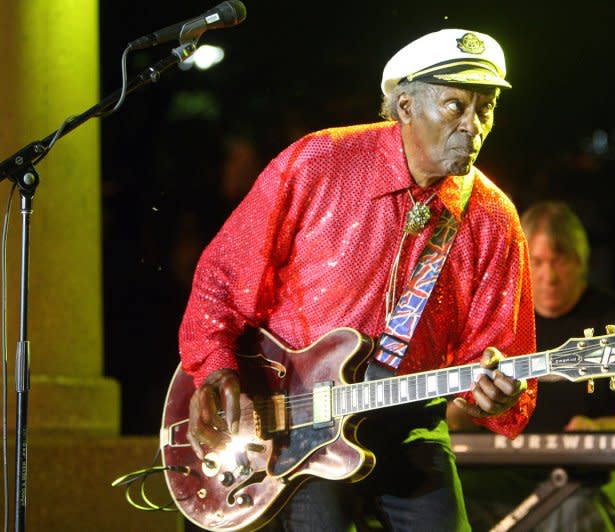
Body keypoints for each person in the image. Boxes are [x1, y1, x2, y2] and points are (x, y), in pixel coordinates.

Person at [178, 28, 539, 531]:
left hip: (411, 425)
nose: (473, 125)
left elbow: (499, 357)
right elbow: (223, 273)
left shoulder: (493, 216)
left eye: (487, 108)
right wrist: (216, 371)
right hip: (296, 420)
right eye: (456, 106)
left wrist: (498, 396)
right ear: (406, 105)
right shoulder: (319, 161)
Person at [449, 200, 615, 531]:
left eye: (560, 260)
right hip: (511, 472)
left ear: (581, 261)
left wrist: (597, 431)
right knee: (443, 503)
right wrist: (464, 408)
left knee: (576, 512)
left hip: (604, 472)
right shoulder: (499, 325)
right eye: (536, 262)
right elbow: (457, 421)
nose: (548, 276)